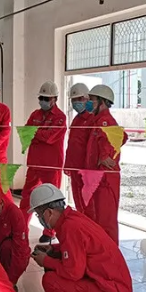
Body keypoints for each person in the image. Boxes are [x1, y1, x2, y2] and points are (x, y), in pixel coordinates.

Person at [28, 183, 132, 292]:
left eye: (39, 214)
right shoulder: (73, 219)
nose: (40, 219)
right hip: (114, 289)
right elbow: (79, 250)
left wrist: (46, 260)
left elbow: (73, 272)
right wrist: (54, 249)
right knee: (55, 266)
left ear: (48, 213)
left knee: (50, 281)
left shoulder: (70, 228)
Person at [19, 81, 67, 243]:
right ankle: (21, 228)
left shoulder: (60, 117)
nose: (43, 101)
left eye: (47, 98)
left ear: (55, 99)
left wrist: (36, 133)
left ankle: (49, 231)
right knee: (27, 198)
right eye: (41, 98)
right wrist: (40, 134)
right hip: (35, 164)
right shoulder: (35, 115)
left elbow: (50, 138)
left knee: (52, 201)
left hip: (51, 165)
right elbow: (26, 133)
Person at [85, 84, 128, 245]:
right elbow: (122, 136)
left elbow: (119, 137)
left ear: (102, 102)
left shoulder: (106, 122)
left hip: (105, 180)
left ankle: (111, 254)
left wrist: (106, 155)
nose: (89, 103)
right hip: (98, 178)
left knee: (106, 221)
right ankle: (102, 251)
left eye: (92, 100)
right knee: (99, 220)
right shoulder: (98, 121)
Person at [63, 83, 95, 215]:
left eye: (79, 99)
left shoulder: (93, 119)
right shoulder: (77, 119)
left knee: (89, 205)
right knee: (79, 203)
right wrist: (68, 166)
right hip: (74, 169)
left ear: (88, 98)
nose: (76, 102)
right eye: (73, 100)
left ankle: (89, 227)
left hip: (86, 171)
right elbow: (72, 145)